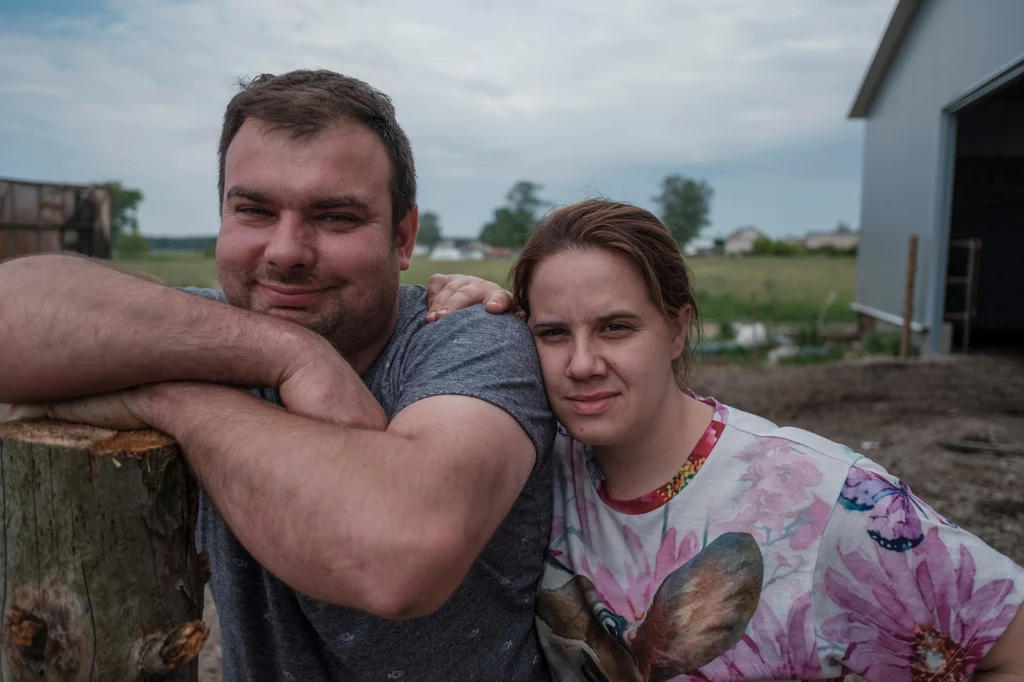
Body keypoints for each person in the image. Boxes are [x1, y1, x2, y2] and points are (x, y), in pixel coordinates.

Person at [0, 70, 557, 682]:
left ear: (402, 238)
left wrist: (171, 399)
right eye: (254, 210)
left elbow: (398, 557)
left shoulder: (468, 335)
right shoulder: (214, 331)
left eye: (336, 216)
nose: (286, 250)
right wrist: (292, 355)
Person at [424, 198, 1024, 681]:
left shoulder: (829, 499)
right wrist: (483, 327)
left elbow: (1008, 649)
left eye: (616, 327)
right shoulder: (537, 469)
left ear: (677, 329)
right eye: (554, 333)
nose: (582, 363)